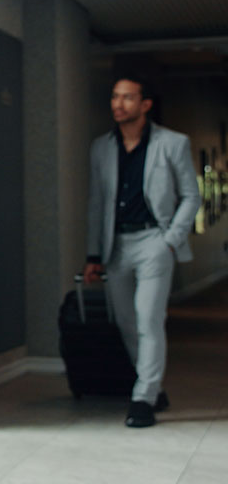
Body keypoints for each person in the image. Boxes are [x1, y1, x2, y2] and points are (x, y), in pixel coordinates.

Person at [83, 75, 200, 428]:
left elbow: (191, 196)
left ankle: (143, 399)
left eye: (128, 97)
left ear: (145, 104)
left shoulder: (172, 143)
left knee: (148, 318)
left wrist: (170, 240)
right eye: (115, 97)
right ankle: (152, 386)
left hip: (154, 241)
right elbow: (97, 204)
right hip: (116, 244)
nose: (119, 104)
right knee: (127, 322)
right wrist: (93, 256)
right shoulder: (100, 147)